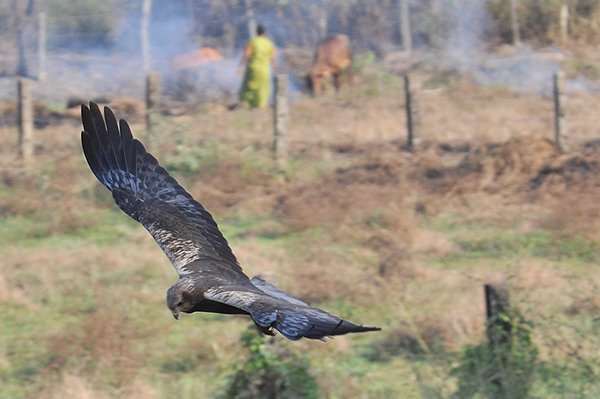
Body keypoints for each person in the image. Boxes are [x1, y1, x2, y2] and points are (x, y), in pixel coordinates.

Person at [238, 25, 276, 108]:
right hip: (264, 71)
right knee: (262, 90)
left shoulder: (252, 42)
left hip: (252, 70)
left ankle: (246, 106)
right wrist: (276, 70)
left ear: (256, 32)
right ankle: (260, 107)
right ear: (265, 33)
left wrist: (240, 66)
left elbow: (246, 55)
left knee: (248, 88)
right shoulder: (269, 44)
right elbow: (272, 59)